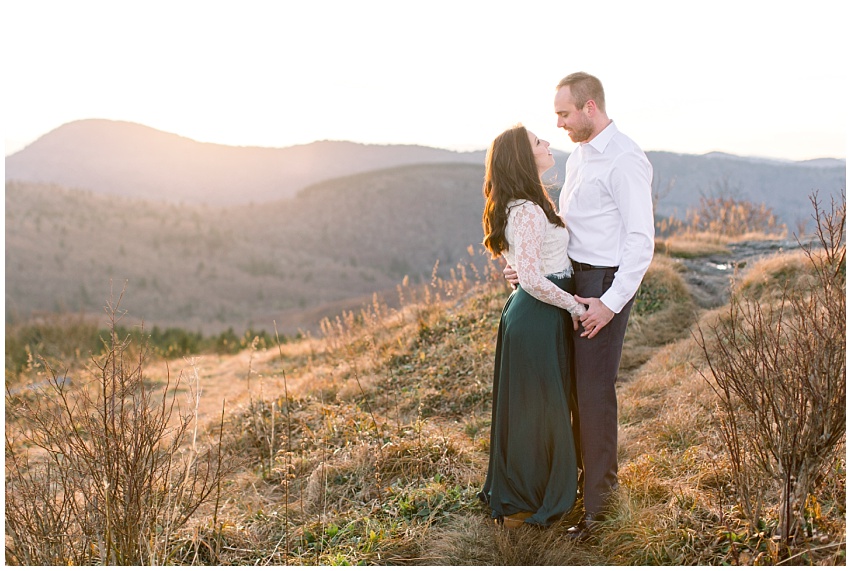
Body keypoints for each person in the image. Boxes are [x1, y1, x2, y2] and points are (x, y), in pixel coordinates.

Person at [504, 72, 654, 537]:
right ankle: (572, 494)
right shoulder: (580, 158)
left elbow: (641, 242)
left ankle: (600, 512)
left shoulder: (626, 159)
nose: (559, 124)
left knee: (592, 397)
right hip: (572, 282)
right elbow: (571, 226)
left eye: (564, 114)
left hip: (604, 287)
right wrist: (530, 267)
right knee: (570, 393)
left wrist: (608, 304)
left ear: (590, 108)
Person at [477, 124, 587, 529]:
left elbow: (525, 266)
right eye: (539, 142)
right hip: (539, 315)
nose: (547, 145)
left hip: (538, 314)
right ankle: (525, 500)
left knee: (539, 409)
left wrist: (519, 269)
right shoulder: (525, 209)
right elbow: (535, 278)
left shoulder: (527, 203)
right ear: (525, 157)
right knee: (538, 412)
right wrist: (576, 306)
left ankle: (532, 492)